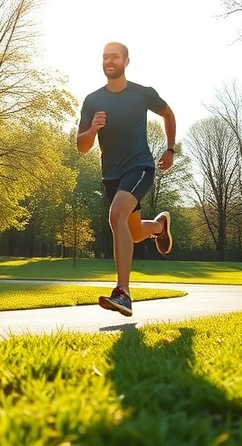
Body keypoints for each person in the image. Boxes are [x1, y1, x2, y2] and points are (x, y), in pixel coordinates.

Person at [76, 41, 176, 317]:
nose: (110, 61)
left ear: (126, 62)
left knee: (116, 214)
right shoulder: (93, 100)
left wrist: (169, 149)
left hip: (140, 167)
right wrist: (92, 130)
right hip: (111, 175)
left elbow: (168, 114)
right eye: (105, 57)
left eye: (115, 57)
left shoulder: (142, 94)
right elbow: (81, 146)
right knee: (131, 231)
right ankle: (159, 226)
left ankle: (123, 293)